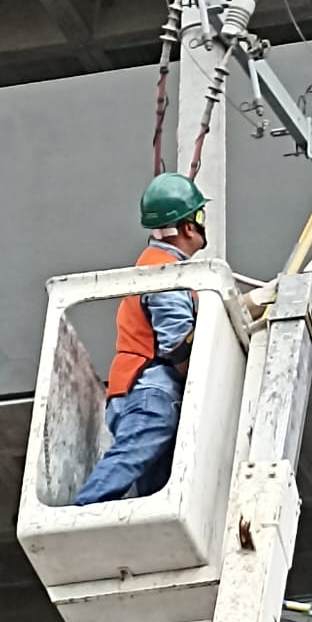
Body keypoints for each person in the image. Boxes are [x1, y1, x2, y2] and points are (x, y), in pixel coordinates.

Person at [74, 173, 208, 506]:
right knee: (131, 456)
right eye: (200, 216)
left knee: (156, 496)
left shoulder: (153, 266)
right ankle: (85, 510)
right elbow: (177, 345)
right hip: (151, 392)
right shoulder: (167, 273)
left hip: (136, 390)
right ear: (189, 227)